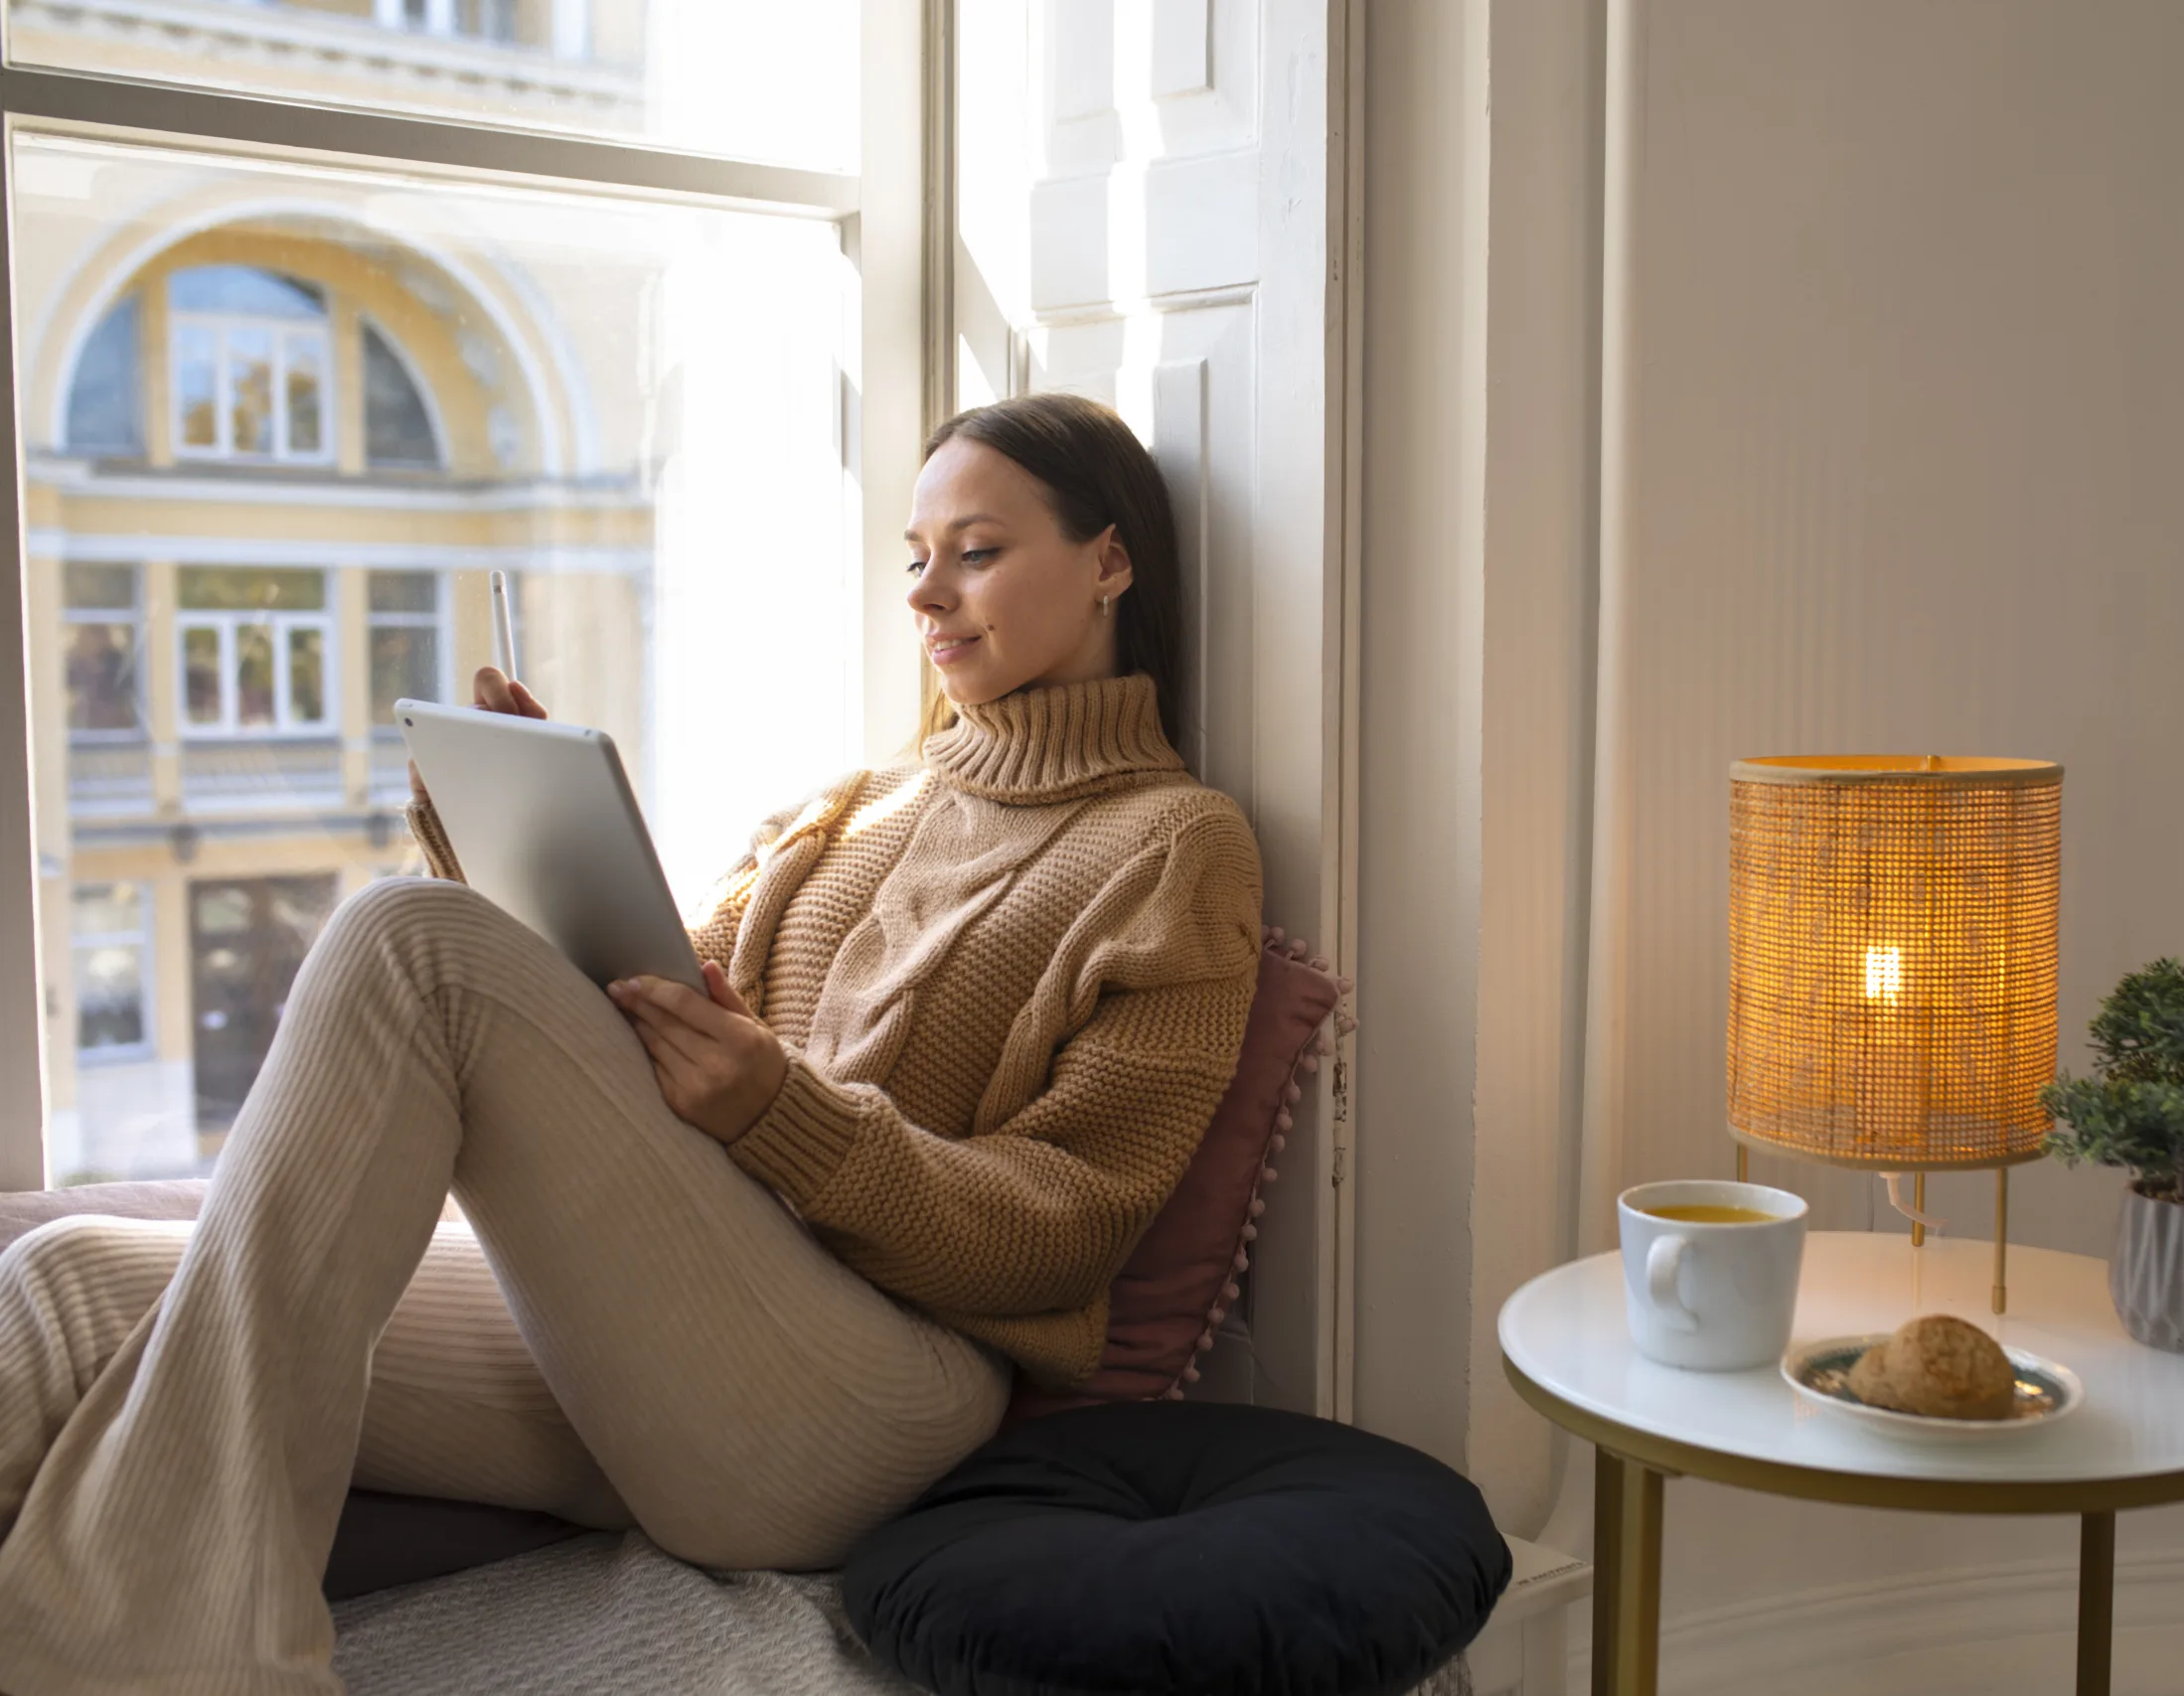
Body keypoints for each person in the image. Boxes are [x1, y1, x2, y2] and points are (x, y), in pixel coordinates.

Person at [0, 392, 1263, 1694]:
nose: (927, 594)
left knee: (407, 940)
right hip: (672, 1331)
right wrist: (509, 850)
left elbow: (1067, 1224)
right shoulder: (849, 806)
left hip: (883, 1389)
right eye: (915, 557)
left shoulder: (1176, 843)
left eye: (977, 552)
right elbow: (629, 1011)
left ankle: (187, 1666)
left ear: (1110, 560)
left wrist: (782, 1111)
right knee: (70, 1280)